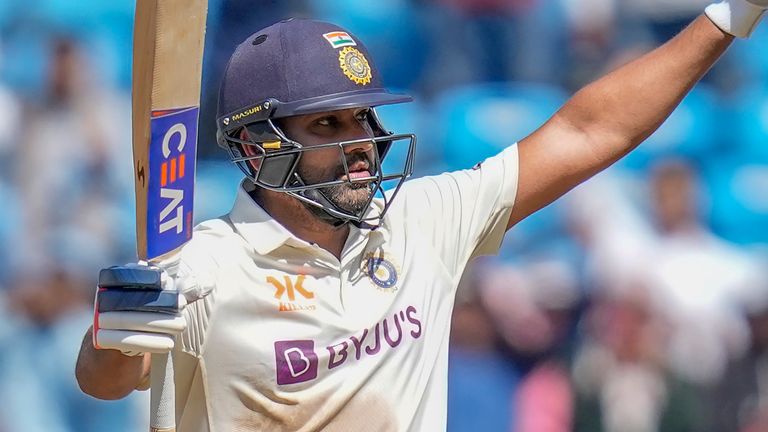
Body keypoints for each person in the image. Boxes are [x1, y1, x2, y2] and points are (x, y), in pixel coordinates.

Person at [76, 3, 768, 430]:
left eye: (361, 117)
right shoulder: (207, 266)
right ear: (261, 147)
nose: (362, 144)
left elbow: (588, 133)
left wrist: (726, 16)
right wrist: (113, 336)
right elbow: (104, 382)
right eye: (328, 124)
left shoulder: (419, 222)